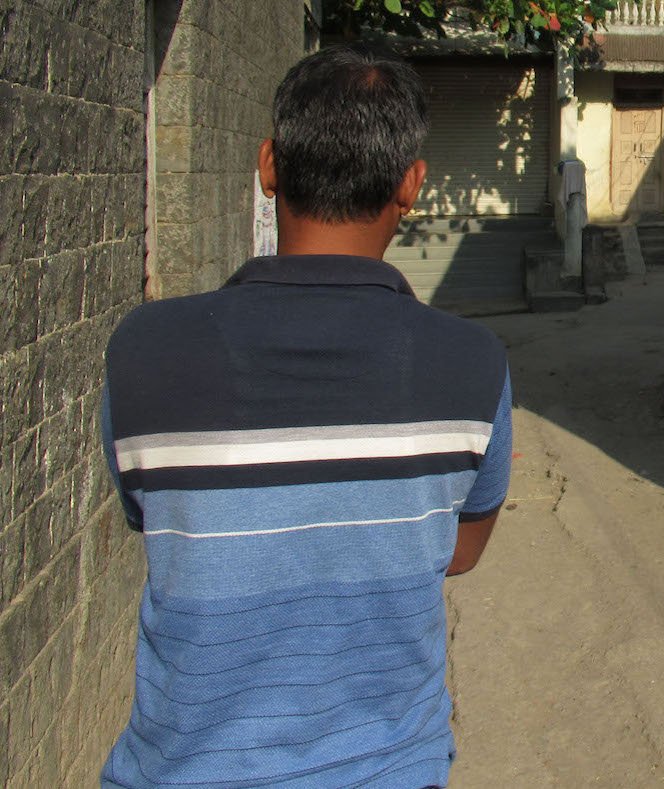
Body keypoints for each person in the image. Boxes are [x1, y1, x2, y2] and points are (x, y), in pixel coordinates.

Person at [99, 44, 511, 788]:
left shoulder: (144, 350)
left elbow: (154, 517)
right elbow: (457, 548)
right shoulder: (473, 363)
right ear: (412, 185)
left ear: (267, 167)